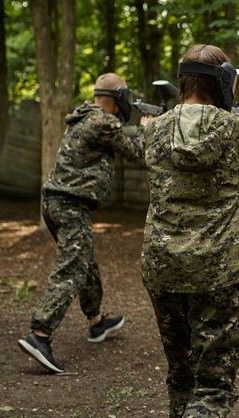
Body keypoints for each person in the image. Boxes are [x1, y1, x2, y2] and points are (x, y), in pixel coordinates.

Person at [142, 44, 239, 418]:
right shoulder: (236, 128)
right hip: (216, 266)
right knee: (215, 381)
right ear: (222, 82)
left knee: (181, 370)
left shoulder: (156, 128)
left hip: (162, 263)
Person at [17, 73, 144, 374]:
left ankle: (97, 322)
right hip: (69, 204)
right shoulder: (104, 122)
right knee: (72, 269)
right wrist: (148, 128)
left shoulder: (84, 117)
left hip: (55, 203)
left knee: (85, 262)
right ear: (118, 99)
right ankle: (40, 335)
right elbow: (137, 152)